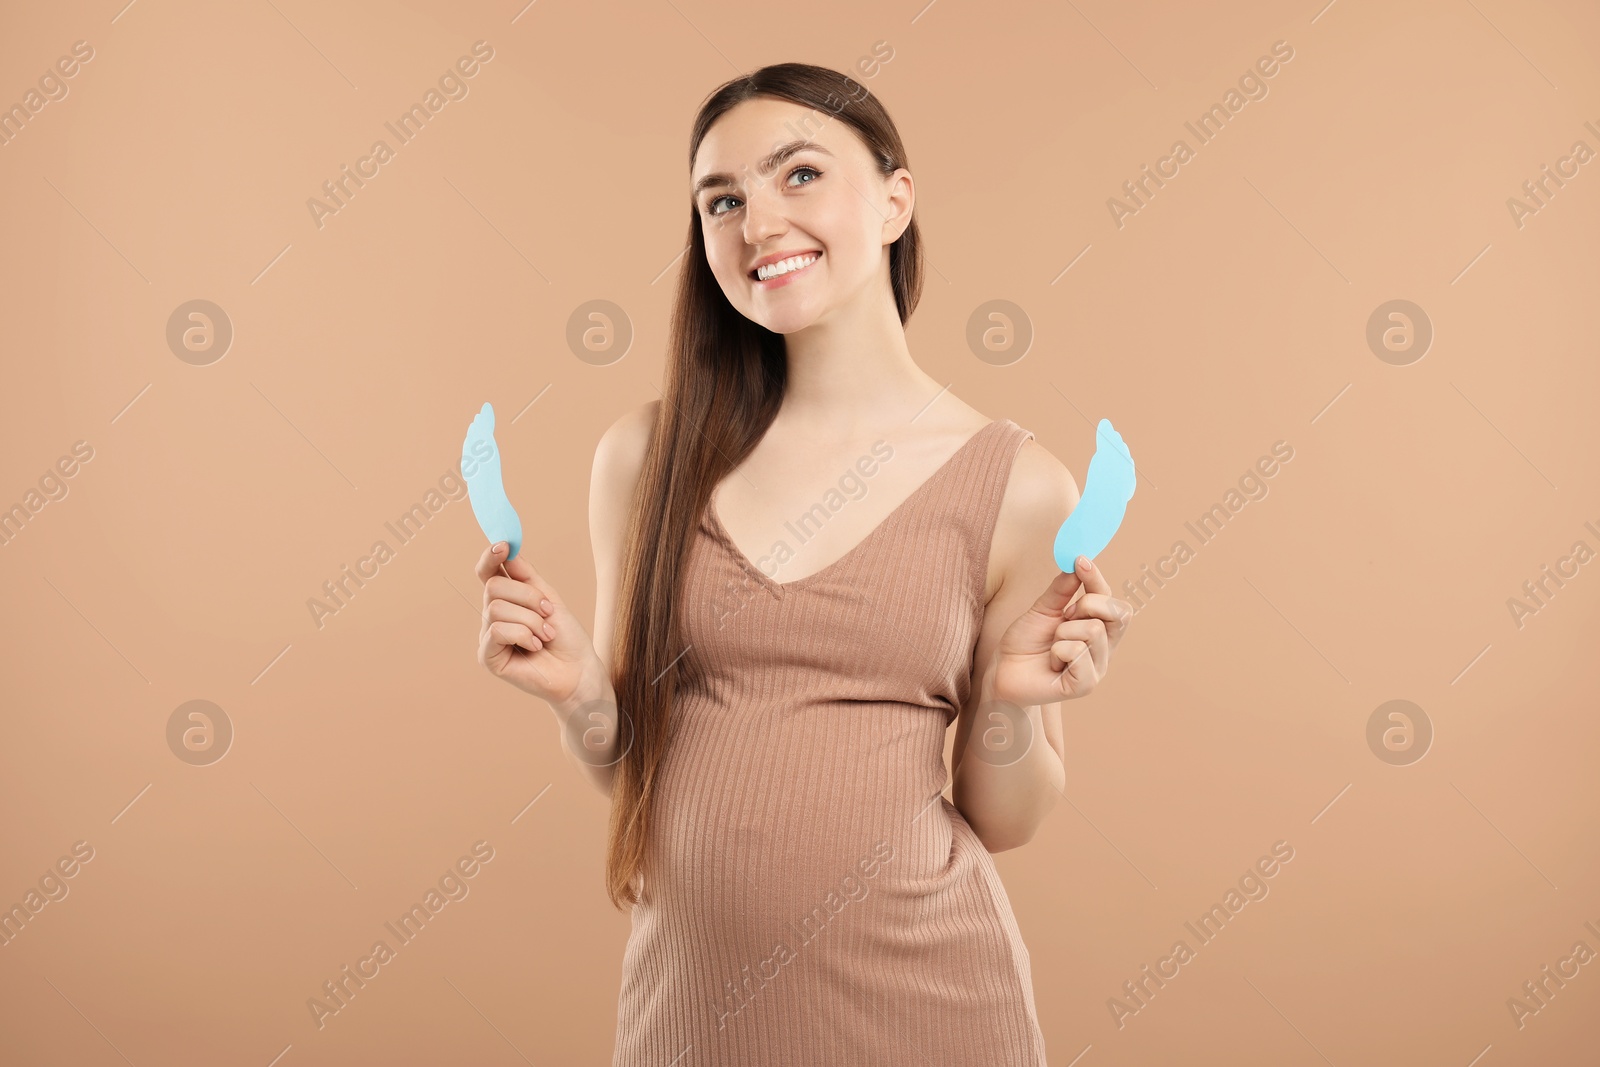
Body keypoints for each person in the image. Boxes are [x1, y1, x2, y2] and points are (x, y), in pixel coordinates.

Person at [472, 61, 1131, 1066]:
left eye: (799, 175)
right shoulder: (644, 459)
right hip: (695, 1016)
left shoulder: (1021, 485)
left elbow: (1007, 817)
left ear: (895, 199)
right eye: (721, 200)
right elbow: (634, 769)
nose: (757, 223)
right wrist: (576, 697)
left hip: (933, 1009)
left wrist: (1006, 705)